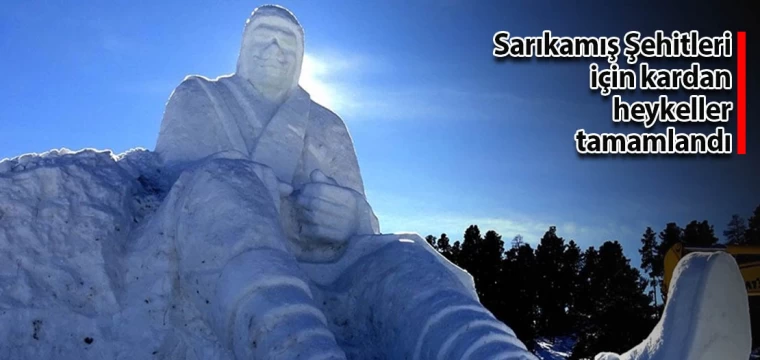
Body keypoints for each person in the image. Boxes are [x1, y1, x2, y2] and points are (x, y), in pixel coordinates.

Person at [154, 4, 534, 359]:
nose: (274, 48)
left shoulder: (326, 124)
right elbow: (170, 189)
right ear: (242, 46)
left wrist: (350, 216)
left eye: (287, 42)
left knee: (408, 259)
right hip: (230, 259)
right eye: (265, 35)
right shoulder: (200, 97)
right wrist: (253, 193)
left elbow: (365, 225)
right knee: (224, 182)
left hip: (331, 264)